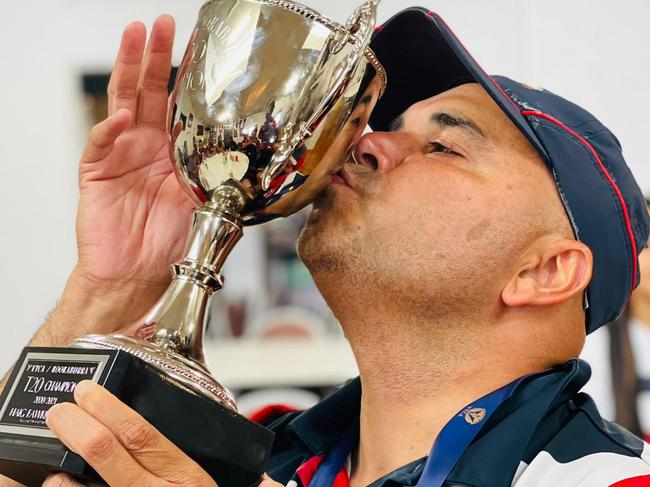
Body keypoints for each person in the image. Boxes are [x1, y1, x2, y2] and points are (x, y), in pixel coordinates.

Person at [2, 7, 650, 487]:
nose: (366, 142)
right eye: (388, 124)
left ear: (545, 269)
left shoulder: (608, 477)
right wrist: (115, 286)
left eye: (443, 145)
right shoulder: (256, 448)